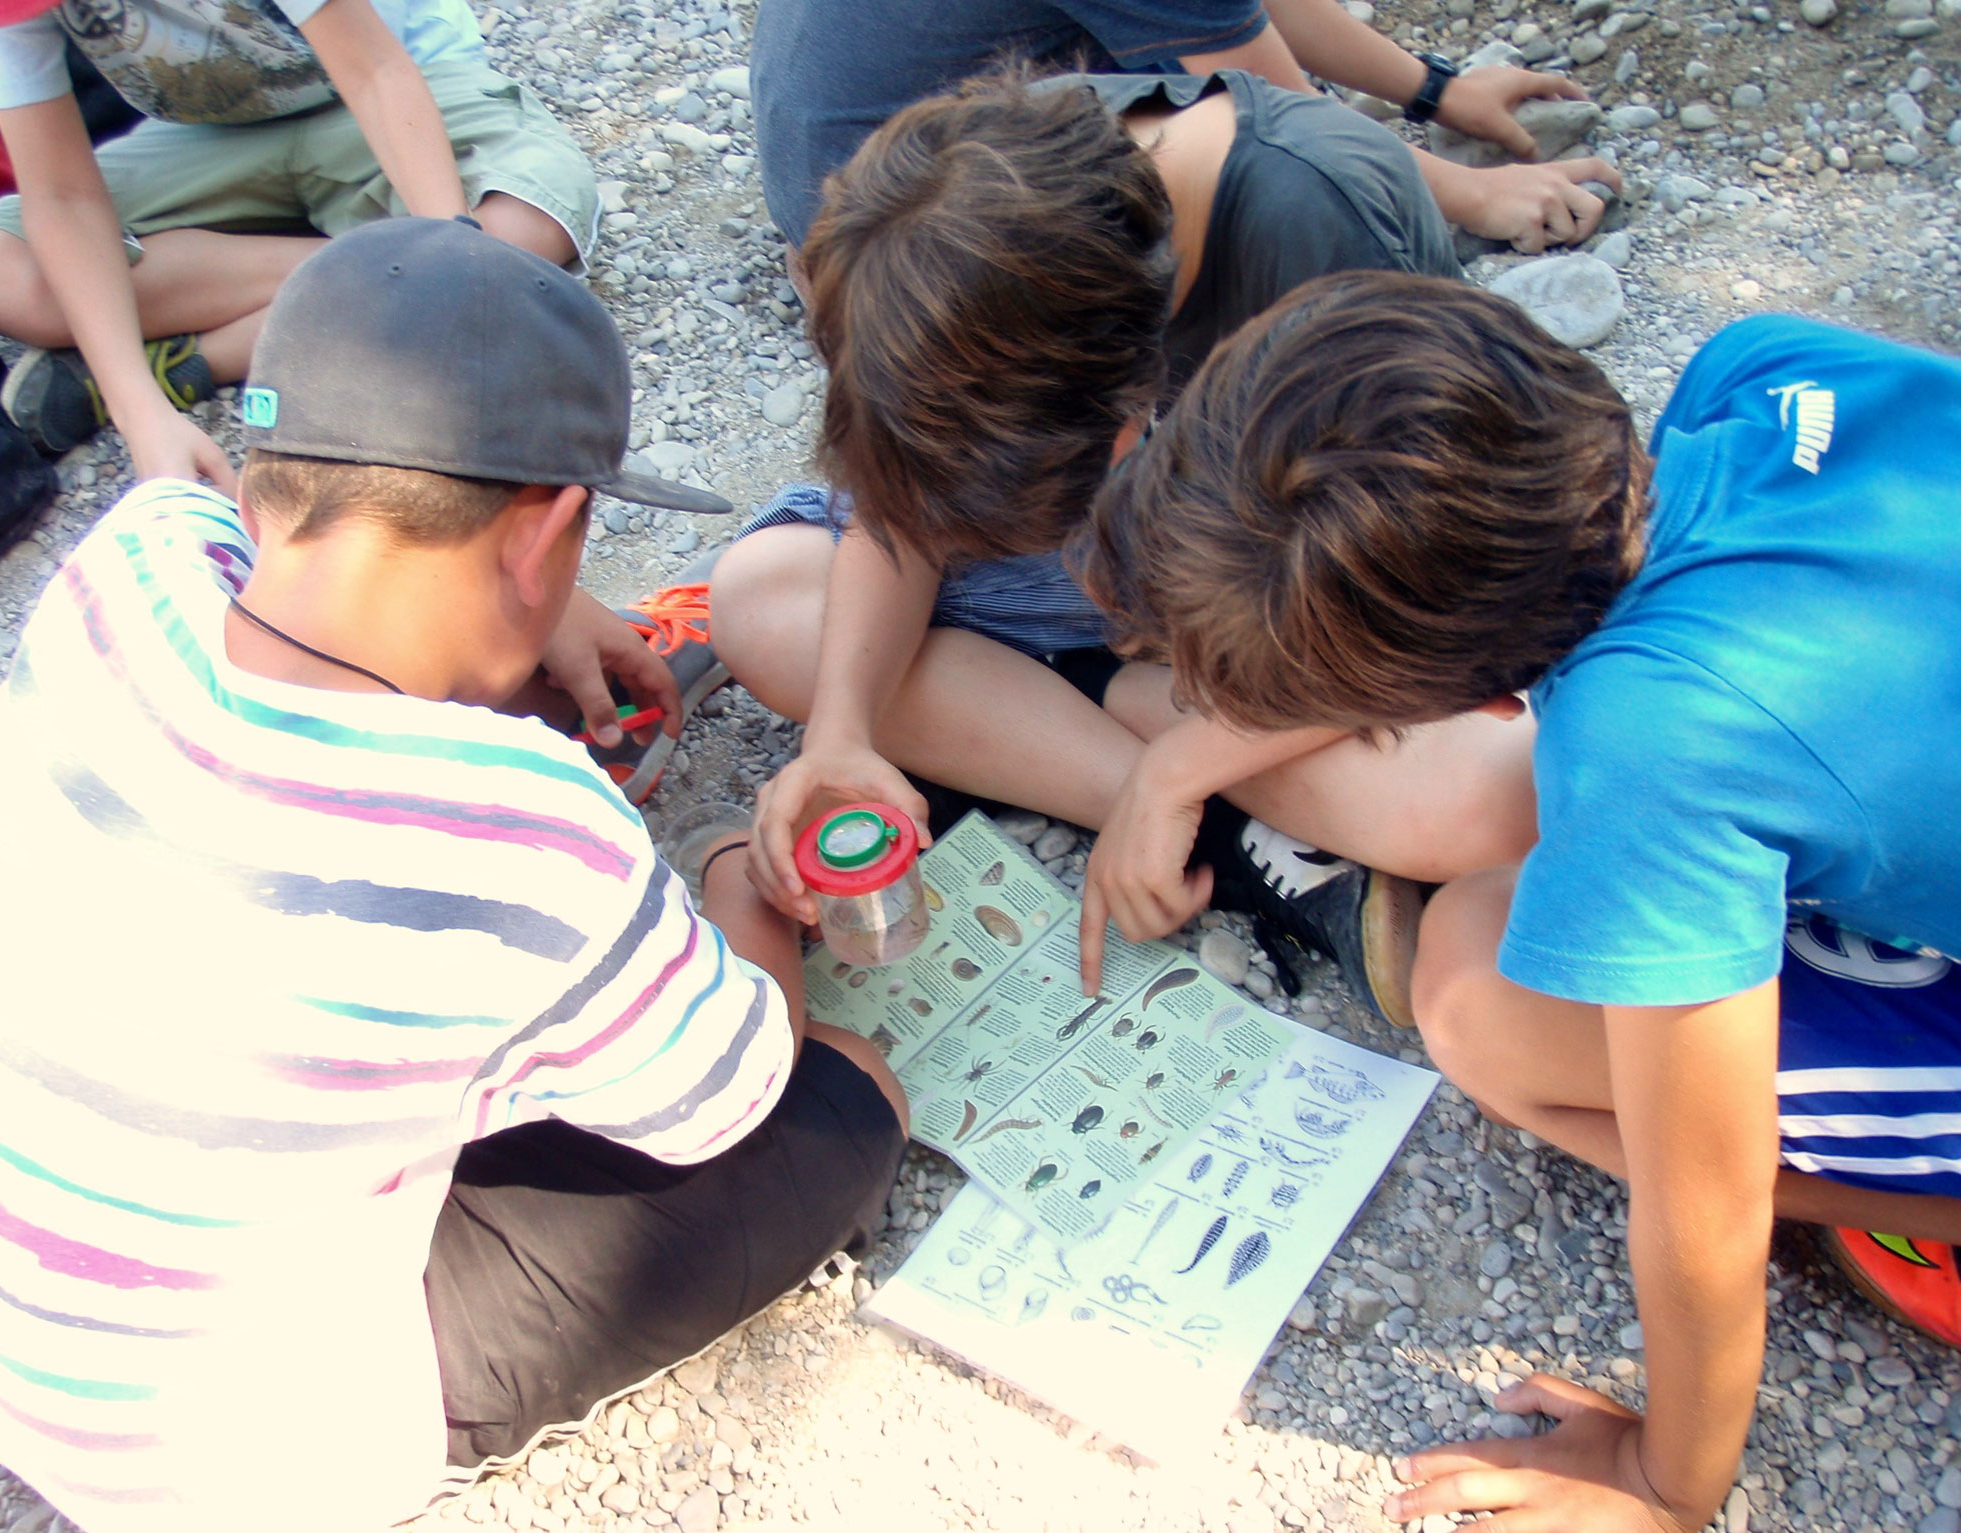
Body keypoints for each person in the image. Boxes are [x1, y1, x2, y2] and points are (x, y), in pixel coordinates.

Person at [0, 219, 906, 1533]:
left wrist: (531, 611)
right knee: (847, 1101)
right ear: (549, 529)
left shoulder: (134, 555)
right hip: (221, 1465)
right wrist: (736, 874)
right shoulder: (528, 832)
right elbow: (731, 1087)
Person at [1077, 267, 1961, 1532]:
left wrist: (1665, 1483)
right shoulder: (1760, 371)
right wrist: (1186, 760)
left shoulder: (1651, 746)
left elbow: (1696, 1197)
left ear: (1483, 700)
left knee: (1480, 999)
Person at [712, 70, 1536, 1019]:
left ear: (1126, 423)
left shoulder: (1327, 227)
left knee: (1496, 795)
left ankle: (1117, 756)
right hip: (1109, 618)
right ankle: (1227, 837)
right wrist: (842, 733)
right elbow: (896, 520)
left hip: (1287, 628)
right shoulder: (941, 205)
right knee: (761, 600)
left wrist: (1182, 766)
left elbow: (1432, 616)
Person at [0, 0, 598, 486]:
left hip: (407, 84)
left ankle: (199, 356)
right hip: (216, 135)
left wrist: (457, 261)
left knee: (520, 230)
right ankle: (398, 277)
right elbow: (60, 194)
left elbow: (375, 74)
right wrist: (143, 423)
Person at [752, 0, 1621, 260]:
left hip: (852, 167)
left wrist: (1432, 90)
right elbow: (1285, 112)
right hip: (894, 240)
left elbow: (1236, 9)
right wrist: (1471, 194)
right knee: (1286, 176)